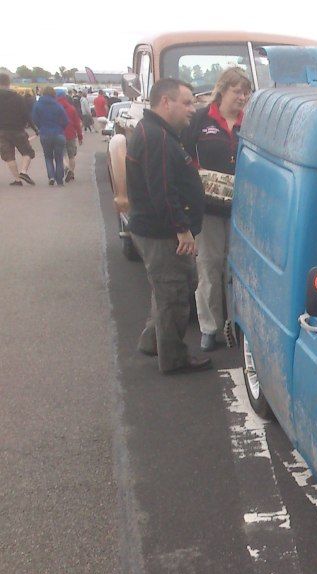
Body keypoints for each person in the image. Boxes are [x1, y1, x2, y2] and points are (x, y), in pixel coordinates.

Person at [126, 78, 209, 374]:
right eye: (186, 102)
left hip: (159, 229)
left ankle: (153, 341)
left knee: (167, 289)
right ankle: (173, 359)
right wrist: (181, 228)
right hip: (162, 233)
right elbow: (162, 189)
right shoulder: (157, 138)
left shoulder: (160, 133)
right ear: (165, 103)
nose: (192, 109)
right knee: (173, 292)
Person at [181, 67, 251, 351]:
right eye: (237, 92)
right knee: (209, 266)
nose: (243, 97)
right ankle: (209, 327)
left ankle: (236, 322)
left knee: (237, 268)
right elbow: (182, 152)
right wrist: (198, 174)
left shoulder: (252, 122)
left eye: (246, 92)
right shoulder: (200, 119)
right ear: (222, 90)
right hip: (208, 207)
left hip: (242, 208)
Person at [0, 72, 37, 186]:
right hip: (18, 130)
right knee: (28, 152)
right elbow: (26, 115)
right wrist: (34, 128)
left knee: (9, 156)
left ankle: (17, 179)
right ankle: (23, 172)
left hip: (2, 131)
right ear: (9, 83)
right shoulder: (18, 97)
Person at [31, 87, 68, 187]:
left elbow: (34, 119)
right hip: (58, 133)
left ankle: (51, 176)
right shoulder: (58, 105)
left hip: (45, 133)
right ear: (53, 94)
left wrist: (41, 127)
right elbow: (65, 120)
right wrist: (60, 127)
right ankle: (60, 180)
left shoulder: (37, 105)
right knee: (59, 158)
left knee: (48, 157)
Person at [55, 88, 83, 183]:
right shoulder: (72, 108)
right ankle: (71, 172)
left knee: (61, 154)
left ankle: (65, 166)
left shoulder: (55, 108)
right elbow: (77, 124)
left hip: (58, 134)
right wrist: (80, 137)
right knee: (71, 156)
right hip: (71, 134)